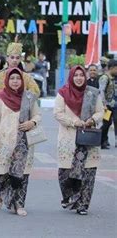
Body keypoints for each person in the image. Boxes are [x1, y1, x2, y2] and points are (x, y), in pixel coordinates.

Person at [0, 68, 41, 216]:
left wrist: (33, 123)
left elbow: (37, 115)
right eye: (12, 78)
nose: (15, 81)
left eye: (18, 78)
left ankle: (19, 203)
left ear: (22, 80)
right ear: (7, 80)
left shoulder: (29, 97)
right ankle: (0, 194)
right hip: (4, 142)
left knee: (22, 174)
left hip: (24, 143)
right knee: (2, 173)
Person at [53, 66, 104, 215]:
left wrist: (92, 119)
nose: (79, 78)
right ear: (71, 76)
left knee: (88, 172)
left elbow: (100, 111)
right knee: (65, 172)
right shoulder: (63, 93)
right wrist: (74, 122)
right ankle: (69, 198)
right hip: (68, 137)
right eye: (76, 75)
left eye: (82, 75)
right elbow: (58, 113)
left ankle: (83, 204)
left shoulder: (93, 93)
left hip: (87, 138)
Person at [99, 60, 117, 149]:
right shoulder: (104, 78)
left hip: (114, 105)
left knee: (112, 122)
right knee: (106, 123)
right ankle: (101, 140)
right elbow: (101, 91)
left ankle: (105, 141)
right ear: (112, 68)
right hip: (107, 106)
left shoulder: (114, 78)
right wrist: (104, 104)